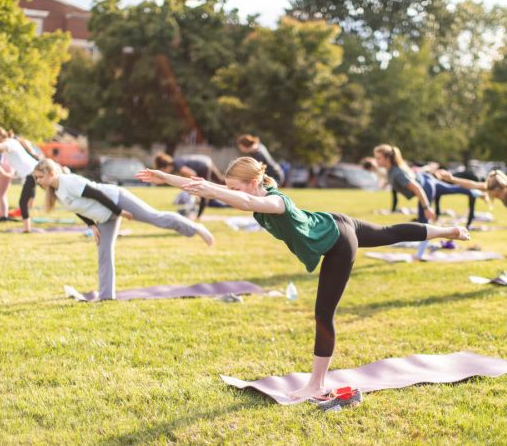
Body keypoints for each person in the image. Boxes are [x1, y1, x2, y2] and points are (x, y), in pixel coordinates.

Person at [136, 157, 470, 400]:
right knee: (388, 232)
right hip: (334, 221)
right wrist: (163, 176)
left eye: (234, 186)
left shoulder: (274, 201)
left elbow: (246, 200)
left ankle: (316, 384)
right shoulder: (264, 190)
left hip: (339, 243)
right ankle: (450, 230)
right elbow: (218, 191)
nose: (231, 192)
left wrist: (211, 188)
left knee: (324, 315)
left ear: (252, 183)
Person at [33, 159, 214, 300]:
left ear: (50, 173)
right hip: (106, 214)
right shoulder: (57, 191)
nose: (38, 181)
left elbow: (97, 194)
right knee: (103, 252)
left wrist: (120, 211)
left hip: (116, 200)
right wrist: (91, 225)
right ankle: (106, 296)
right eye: (36, 178)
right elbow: (78, 209)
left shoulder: (68, 182)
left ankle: (195, 227)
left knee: (155, 217)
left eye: (40, 177)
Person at [154, 153, 226, 217]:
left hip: (203, 166)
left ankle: (198, 216)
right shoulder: (176, 162)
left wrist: (192, 188)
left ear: (165, 167)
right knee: (219, 180)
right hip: (206, 160)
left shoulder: (177, 165)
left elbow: (192, 174)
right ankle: (233, 188)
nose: (165, 172)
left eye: (163, 171)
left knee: (204, 191)